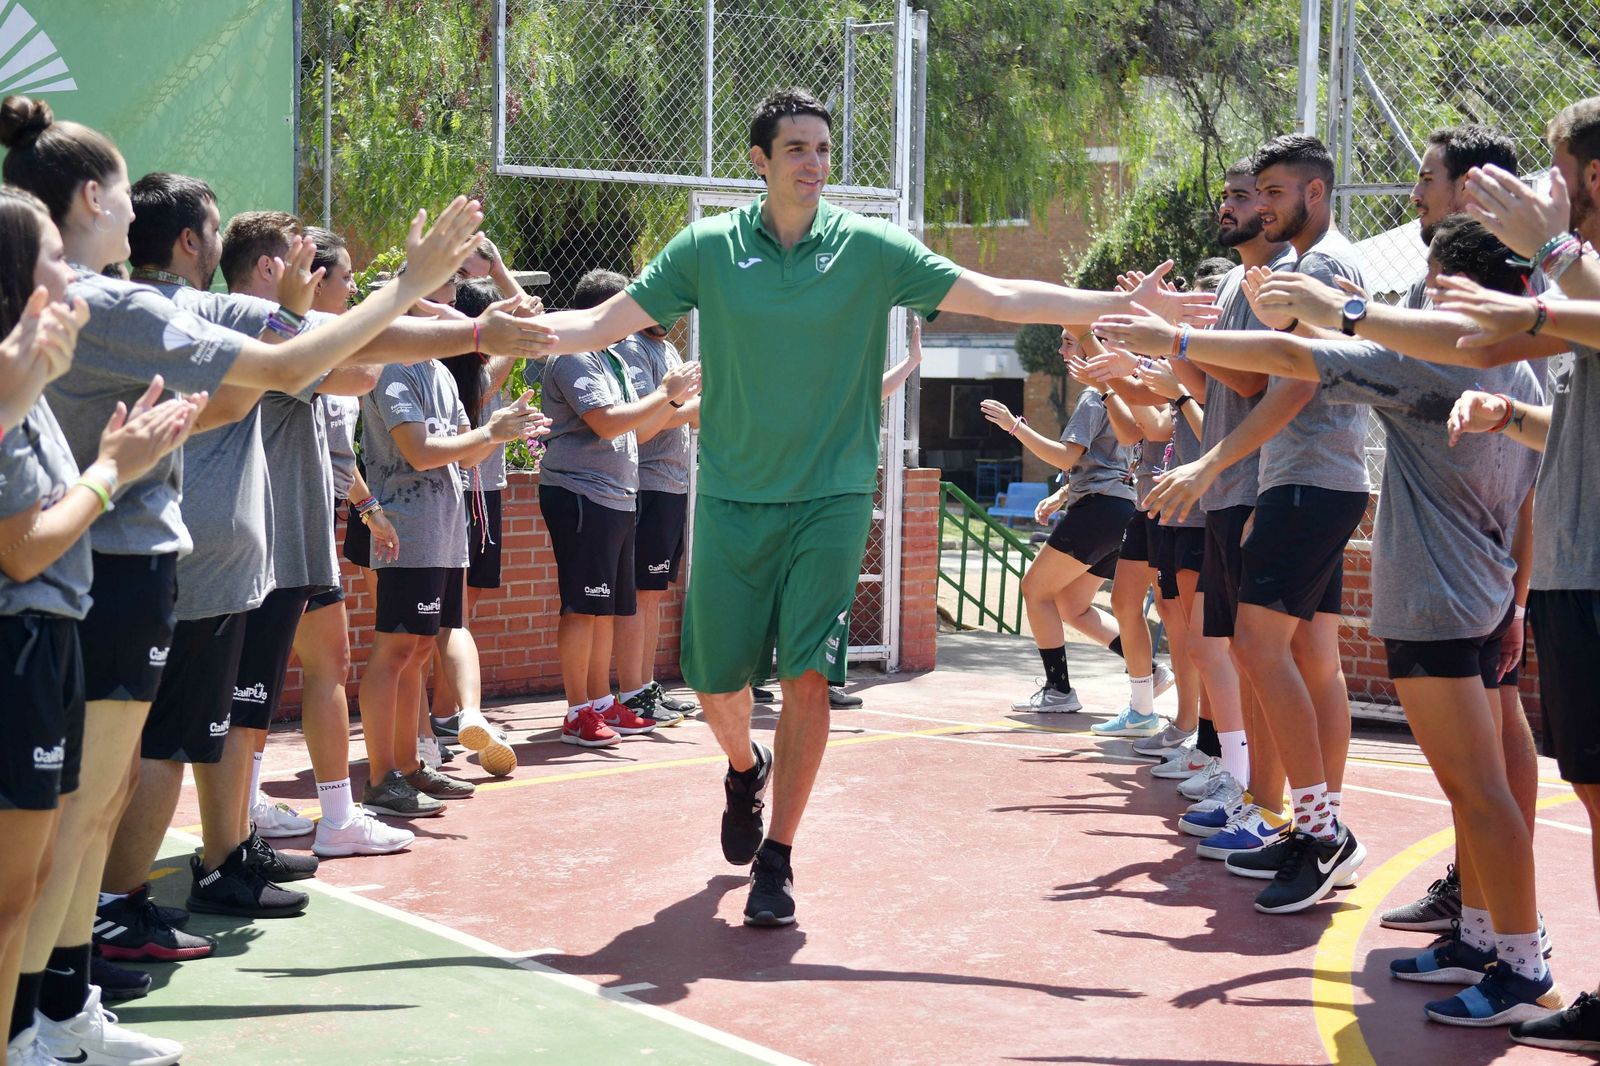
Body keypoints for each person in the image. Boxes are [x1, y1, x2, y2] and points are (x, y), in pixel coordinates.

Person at [524, 88, 1215, 926]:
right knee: (713, 682)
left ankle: (778, 859)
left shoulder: (869, 249)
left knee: (807, 672)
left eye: (823, 149)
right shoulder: (707, 249)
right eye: (797, 150)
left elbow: (995, 297)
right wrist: (494, 331)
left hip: (835, 494)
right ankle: (745, 767)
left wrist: (1124, 313)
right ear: (761, 161)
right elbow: (599, 320)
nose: (814, 164)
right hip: (736, 494)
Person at [0, 186, 197, 1066]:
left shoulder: (27, 392)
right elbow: (24, 550)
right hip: (22, 643)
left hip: (44, 639)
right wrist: (113, 471)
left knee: (29, 884)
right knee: (14, 894)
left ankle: (43, 1031)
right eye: (55, 254)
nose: (75, 271)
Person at [538, 268, 701, 747]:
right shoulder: (572, 355)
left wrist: (669, 401)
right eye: (624, 310)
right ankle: (576, 712)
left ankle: (604, 703)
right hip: (581, 492)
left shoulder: (608, 359)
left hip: (616, 493)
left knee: (605, 609)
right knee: (582, 609)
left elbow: (643, 427)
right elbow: (608, 423)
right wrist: (667, 394)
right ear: (602, 313)